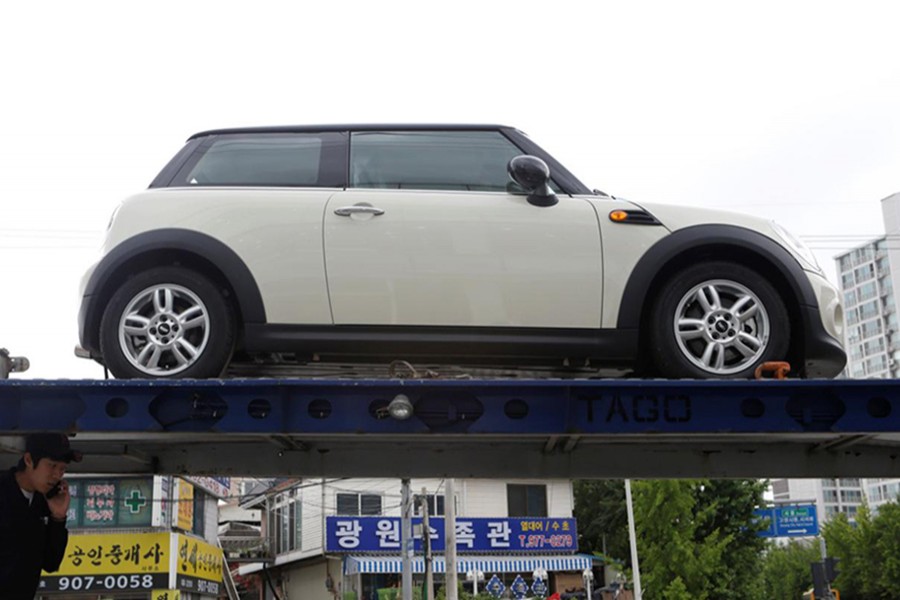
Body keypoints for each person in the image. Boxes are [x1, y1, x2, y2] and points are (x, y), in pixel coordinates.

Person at [0, 432, 82, 599]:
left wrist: (58, 518)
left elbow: (51, 563)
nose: (57, 475)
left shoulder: (43, 503)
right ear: (29, 460)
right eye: (52, 466)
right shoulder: (3, 491)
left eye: (62, 469)